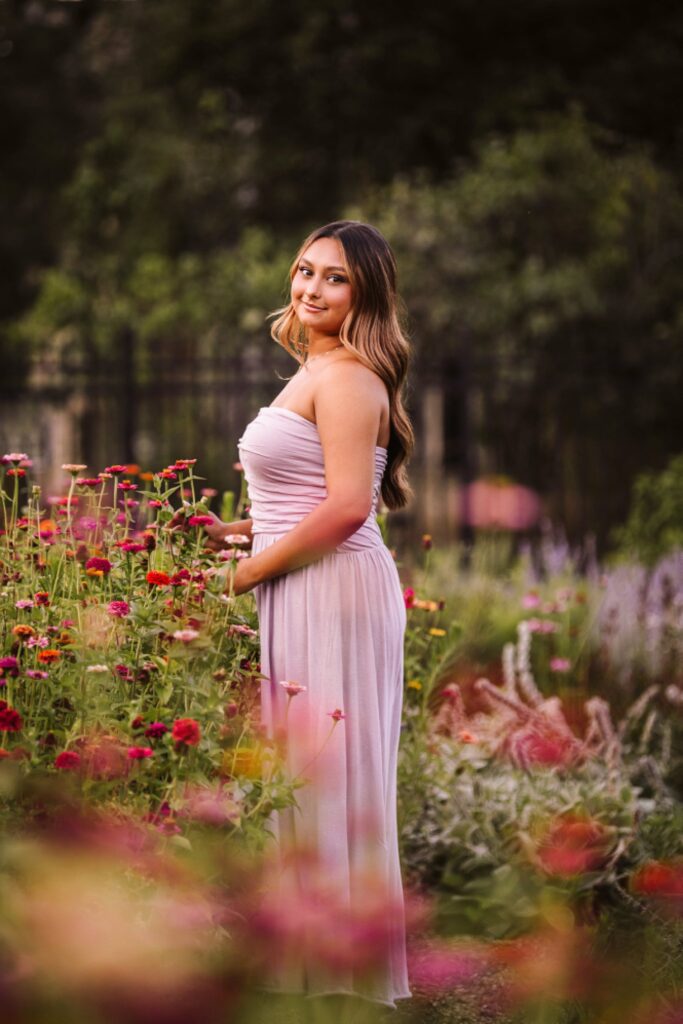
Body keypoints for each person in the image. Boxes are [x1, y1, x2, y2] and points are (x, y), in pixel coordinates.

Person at [205, 220, 414, 1010]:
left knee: (329, 776)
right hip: (300, 578)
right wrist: (235, 532)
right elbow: (301, 500)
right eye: (303, 270)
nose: (310, 289)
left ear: (364, 294)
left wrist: (246, 572)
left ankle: (342, 982)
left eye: (334, 279)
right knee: (303, 772)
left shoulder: (352, 377)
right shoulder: (314, 369)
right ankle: (305, 967)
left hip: (332, 589)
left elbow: (349, 509)